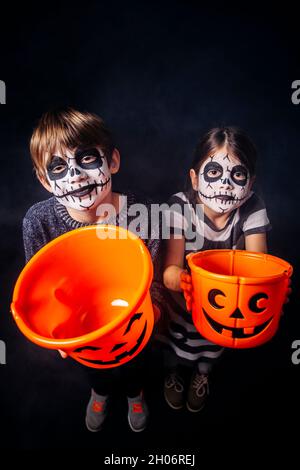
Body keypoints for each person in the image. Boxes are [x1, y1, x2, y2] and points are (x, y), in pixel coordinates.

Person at [22, 107, 165, 432]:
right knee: (95, 367)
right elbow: (39, 287)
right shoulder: (38, 221)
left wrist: (153, 311)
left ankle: (135, 394)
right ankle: (99, 392)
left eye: (87, 159)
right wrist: (54, 331)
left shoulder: (145, 214)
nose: (75, 176)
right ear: (45, 180)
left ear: (112, 161)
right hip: (81, 330)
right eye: (59, 167)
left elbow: (152, 281)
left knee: (135, 364)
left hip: (135, 323)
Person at [160, 127, 272, 412]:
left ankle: (202, 374)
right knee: (175, 348)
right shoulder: (179, 206)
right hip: (184, 303)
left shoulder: (252, 206)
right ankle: (174, 374)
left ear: (250, 184)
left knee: (210, 349)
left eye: (237, 176)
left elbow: (259, 266)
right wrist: (183, 280)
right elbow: (170, 270)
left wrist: (268, 291)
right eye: (213, 173)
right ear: (195, 179)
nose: (224, 185)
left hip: (224, 306)